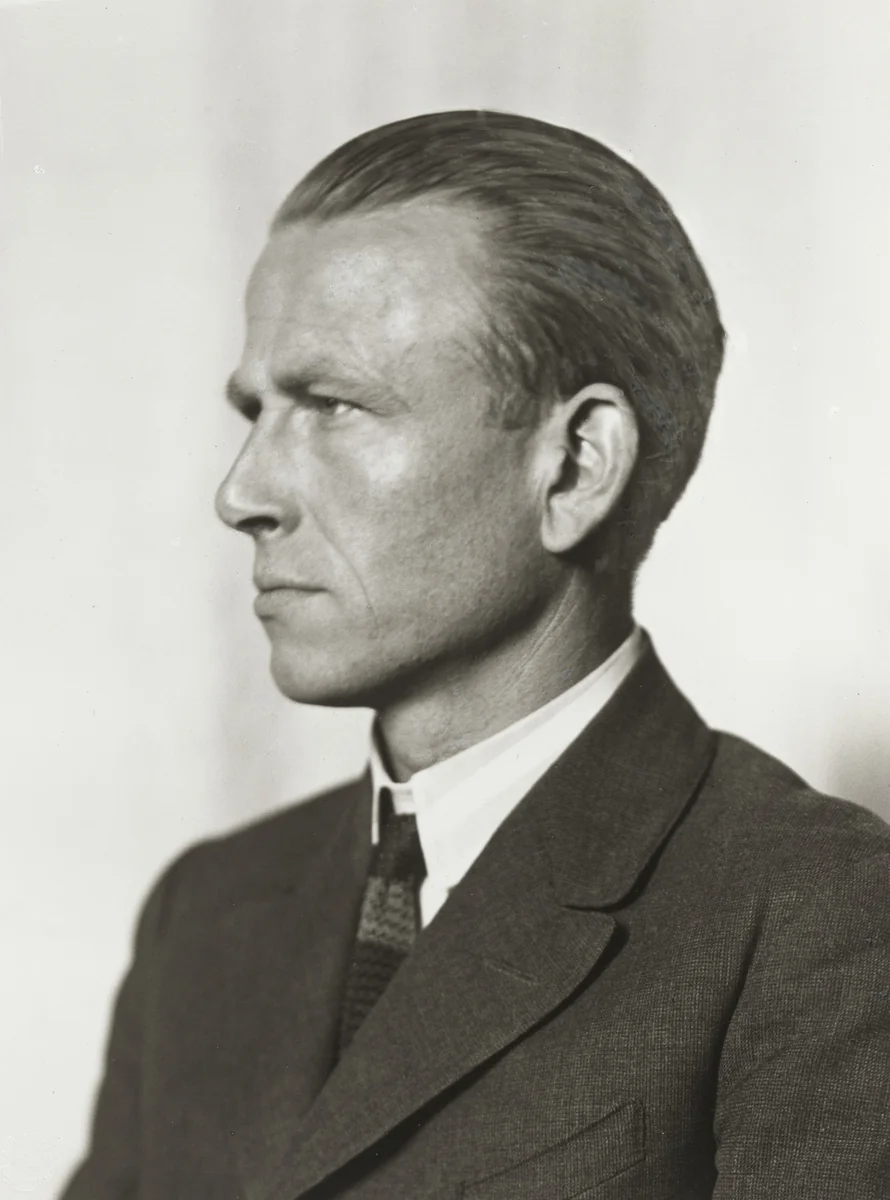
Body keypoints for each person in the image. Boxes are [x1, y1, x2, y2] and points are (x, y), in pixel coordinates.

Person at [61, 111, 890, 1200]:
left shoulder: (815, 913)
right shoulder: (207, 913)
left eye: (333, 405)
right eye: (255, 412)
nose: (242, 493)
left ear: (574, 468)